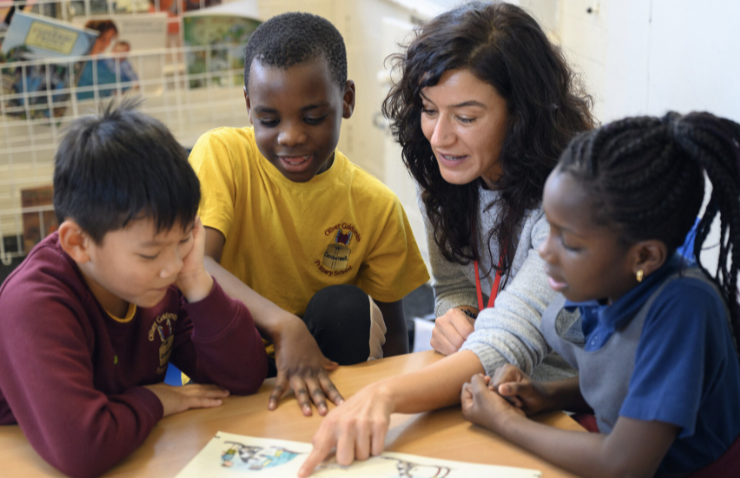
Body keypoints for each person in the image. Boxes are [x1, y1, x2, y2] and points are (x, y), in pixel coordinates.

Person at [299, 3, 594, 474]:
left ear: (522, 114)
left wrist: (384, 394)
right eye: (429, 110)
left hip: (566, 407)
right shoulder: (445, 172)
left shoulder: (570, 198)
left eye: (467, 117)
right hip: (488, 390)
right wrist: (455, 314)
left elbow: (513, 336)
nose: (440, 136)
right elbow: (456, 285)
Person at [460, 112, 740, 477]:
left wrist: (504, 423)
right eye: (551, 228)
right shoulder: (598, 281)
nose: (546, 250)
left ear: (644, 256)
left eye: (570, 243)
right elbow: (626, 383)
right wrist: (545, 394)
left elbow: (624, 463)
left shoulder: (684, 309)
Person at [0, 99, 267, 478]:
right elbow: (82, 449)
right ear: (78, 243)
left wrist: (197, 282)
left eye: (181, 242)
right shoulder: (33, 303)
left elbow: (243, 376)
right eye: (150, 254)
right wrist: (155, 399)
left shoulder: (163, 279)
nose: (172, 266)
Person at [189, 12, 429, 416]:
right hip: (234, 361)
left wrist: (395, 405)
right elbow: (195, 263)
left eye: (313, 117)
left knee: (345, 308)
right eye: (269, 119)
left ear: (347, 100)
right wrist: (285, 325)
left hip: (324, 367)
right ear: (248, 107)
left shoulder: (376, 206)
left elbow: (391, 339)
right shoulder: (221, 155)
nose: (291, 136)